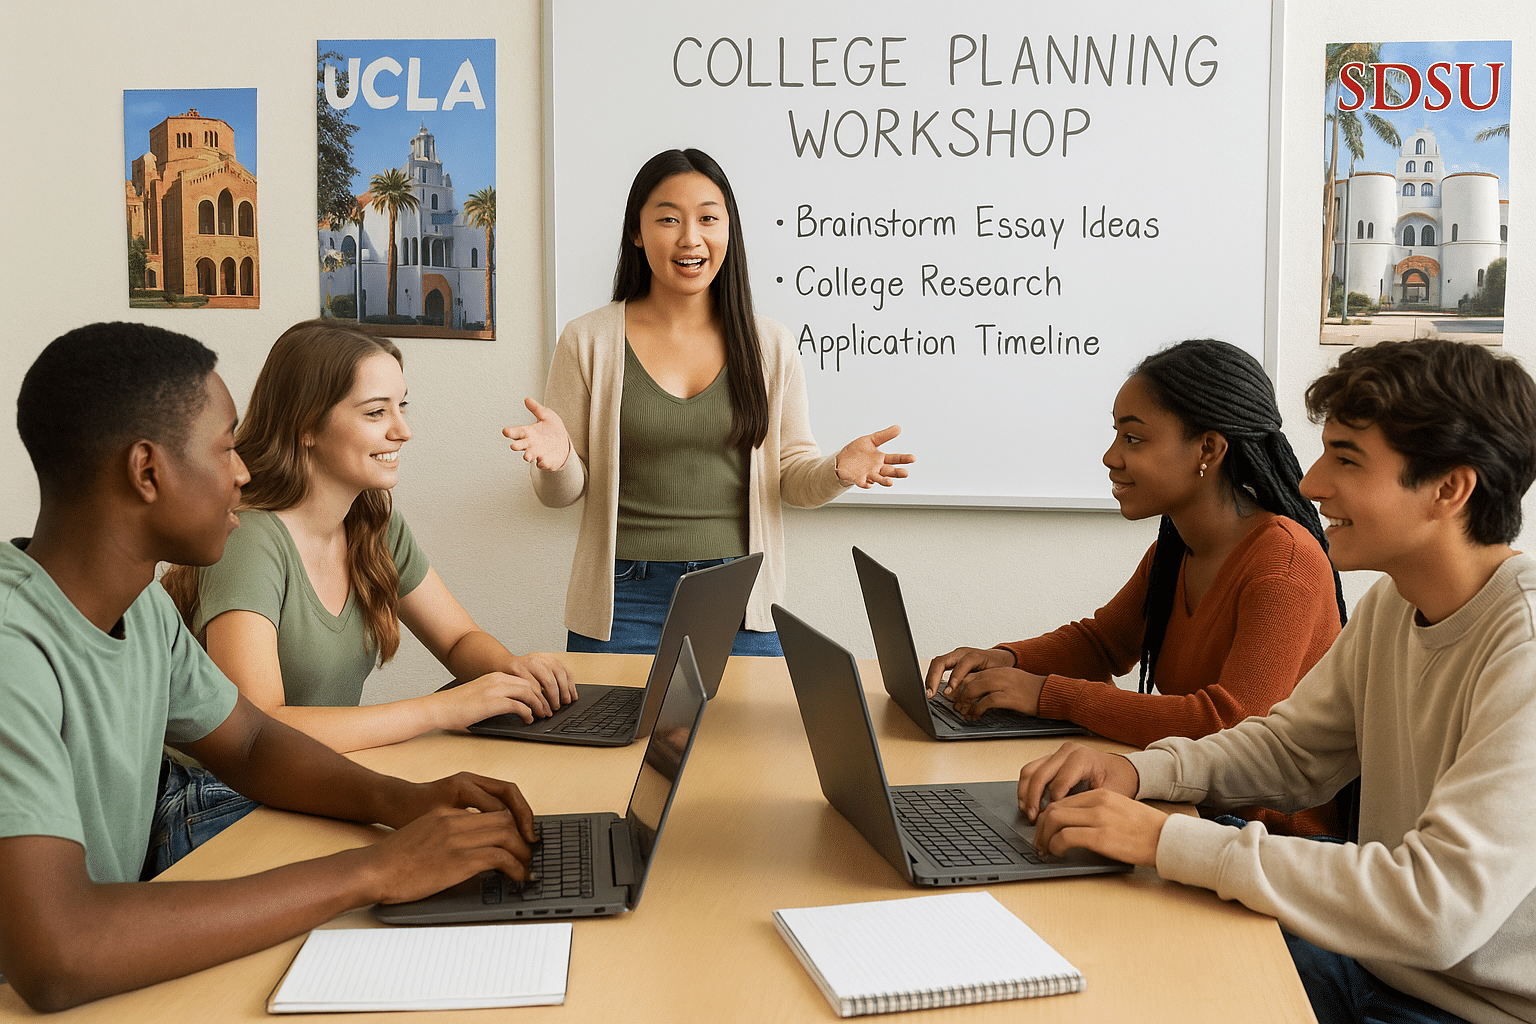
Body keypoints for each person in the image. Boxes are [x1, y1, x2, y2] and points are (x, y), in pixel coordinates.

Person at [0, 322, 537, 1011]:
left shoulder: (143, 609)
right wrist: (373, 870)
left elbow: (251, 740)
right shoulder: (14, 645)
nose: (244, 471)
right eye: (225, 449)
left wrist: (401, 802)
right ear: (147, 470)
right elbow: (58, 955)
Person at [1020, 339, 1536, 1024]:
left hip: (1467, 1009)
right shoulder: (1395, 603)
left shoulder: (1523, 645)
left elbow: (1436, 908)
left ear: (1449, 488)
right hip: (1374, 965)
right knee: (1116, 972)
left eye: (1346, 459)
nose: (1312, 484)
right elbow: (1290, 751)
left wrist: (1163, 840)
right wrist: (1136, 774)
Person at [926, 339, 1348, 836]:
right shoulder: (1176, 547)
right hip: (1190, 809)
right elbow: (1103, 643)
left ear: (1208, 449)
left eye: (1134, 439)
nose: (1111, 456)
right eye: (1116, 436)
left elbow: (1228, 727)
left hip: (1263, 836)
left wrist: (1047, 694)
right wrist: (1009, 660)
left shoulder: (1285, 560)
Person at [503, 148, 913, 656]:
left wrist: (836, 471)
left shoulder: (770, 345)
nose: (690, 238)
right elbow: (560, 493)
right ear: (637, 231)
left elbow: (790, 477)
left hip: (741, 597)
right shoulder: (586, 340)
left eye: (708, 219)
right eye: (669, 219)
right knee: (614, 736)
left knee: (747, 739)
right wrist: (559, 460)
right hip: (623, 601)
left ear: (728, 231)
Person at [163, 319, 573, 757]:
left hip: (313, 779)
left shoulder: (373, 523)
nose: (402, 430)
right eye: (376, 412)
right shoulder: (249, 540)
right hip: (220, 804)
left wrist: (512, 670)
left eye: (402, 406)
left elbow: (457, 640)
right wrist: (441, 709)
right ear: (307, 426)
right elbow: (260, 726)